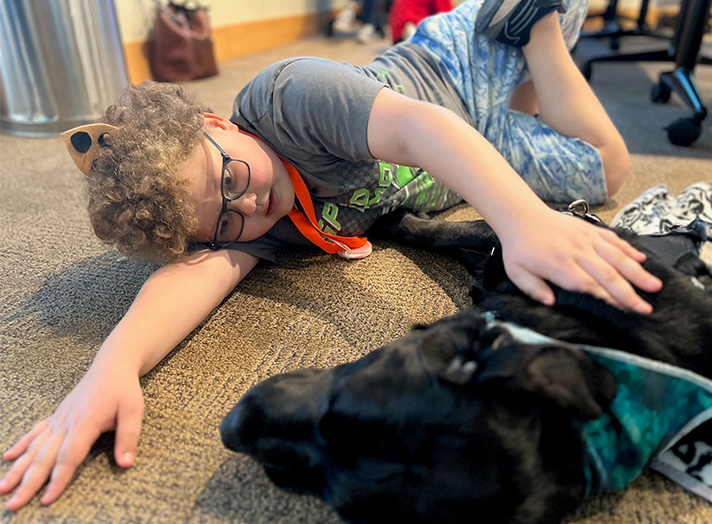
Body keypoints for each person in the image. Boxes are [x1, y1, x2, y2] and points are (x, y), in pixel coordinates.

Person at [0, 0, 662, 511]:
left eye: (232, 179)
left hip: (455, 67)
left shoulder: (285, 97)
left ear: (219, 125)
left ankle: (533, 22)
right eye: (224, 223)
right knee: (602, 170)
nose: (251, 207)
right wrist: (110, 367)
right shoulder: (247, 227)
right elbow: (188, 279)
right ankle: (529, 72)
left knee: (605, 158)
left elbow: (418, 126)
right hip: (475, 133)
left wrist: (524, 225)